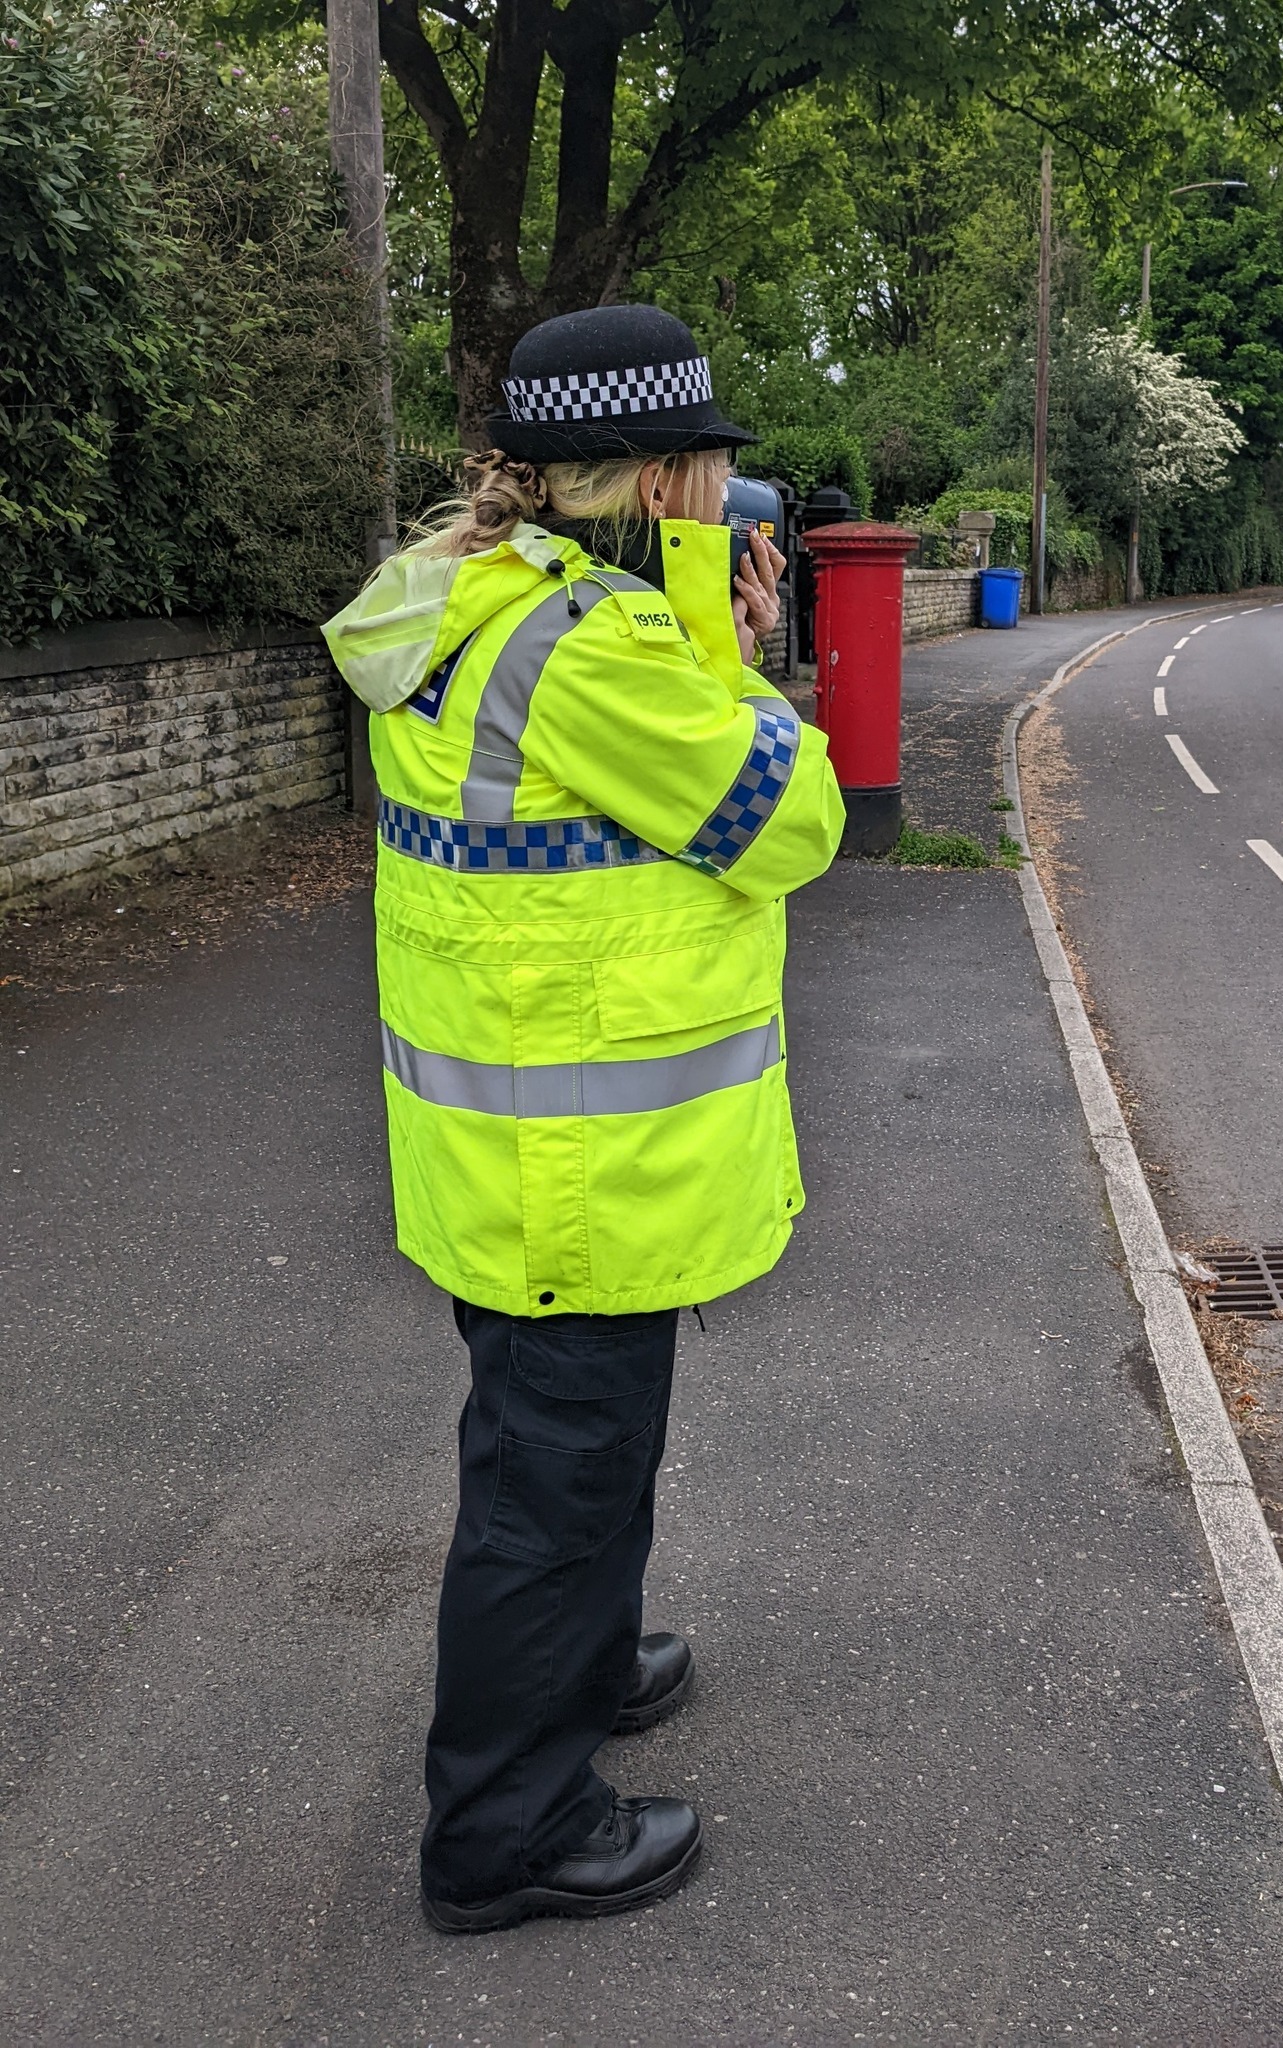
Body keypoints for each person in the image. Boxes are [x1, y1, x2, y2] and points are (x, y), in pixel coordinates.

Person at [323, 305, 845, 1934]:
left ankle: (593, 1668)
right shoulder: (591, 653)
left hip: (509, 1139)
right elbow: (788, 819)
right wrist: (749, 662)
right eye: (707, 470)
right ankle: (505, 1832)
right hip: (582, 1163)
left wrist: (698, 625)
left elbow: (639, 791)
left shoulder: (465, 594)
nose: (721, 498)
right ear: (660, 477)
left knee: (583, 1458)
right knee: (553, 1492)